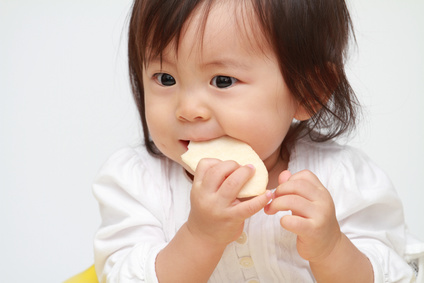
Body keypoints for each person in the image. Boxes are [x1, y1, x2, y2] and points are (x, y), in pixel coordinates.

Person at [93, 0, 424, 282]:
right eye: (165, 78)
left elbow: (394, 273)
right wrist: (199, 237)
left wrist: (331, 249)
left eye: (222, 81)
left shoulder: (342, 178)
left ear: (310, 91)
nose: (188, 109)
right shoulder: (137, 182)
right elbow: (121, 274)